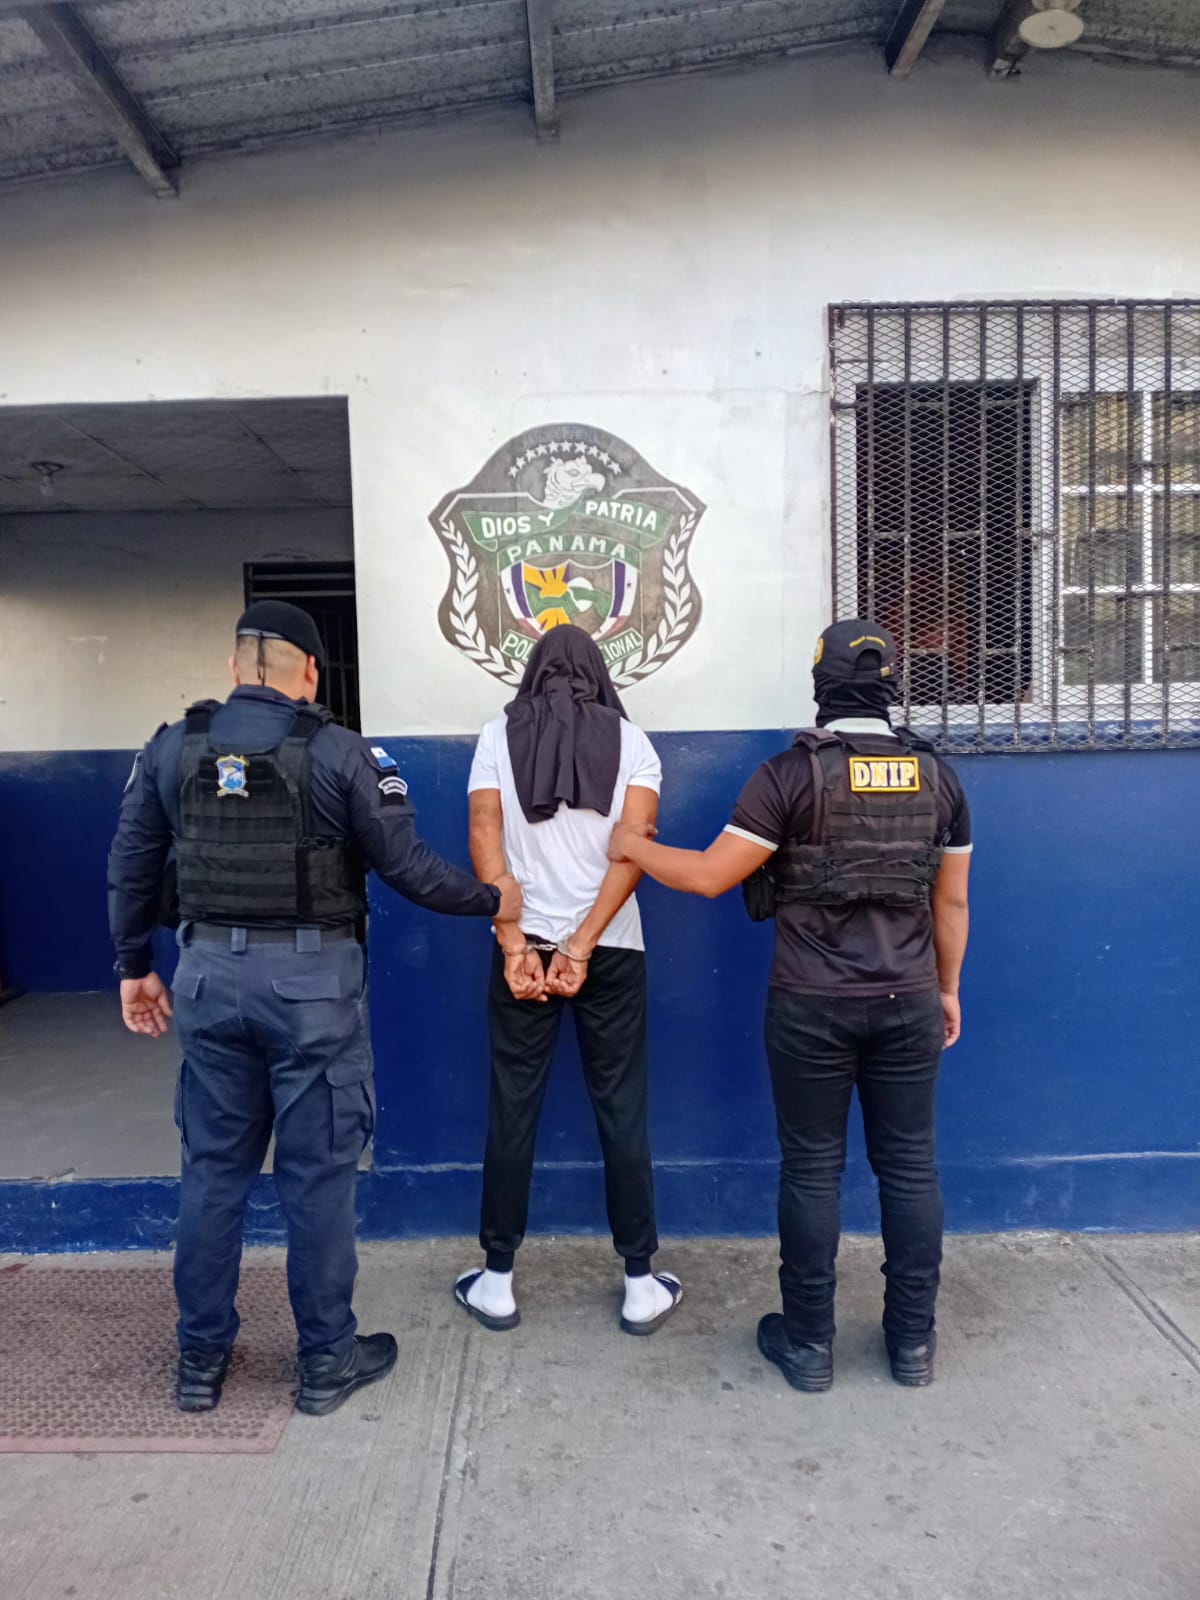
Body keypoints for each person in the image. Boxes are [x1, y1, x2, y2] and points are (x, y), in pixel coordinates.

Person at [109, 601, 522, 1416]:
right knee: (318, 1183)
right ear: (309, 671)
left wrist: (134, 968)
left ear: (235, 667)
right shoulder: (340, 752)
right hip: (311, 990)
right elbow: (406, 866)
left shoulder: (170, 747)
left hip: (205, 979)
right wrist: (492, 900)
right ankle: (327, 1360)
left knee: (212, 1176)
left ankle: (200, 1364)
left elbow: (131, 861)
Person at [609, 620, 971, 1390]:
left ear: (821, 686)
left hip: (812, 1004)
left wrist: (632, 846)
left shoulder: (789, 776)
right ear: (891, 685)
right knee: (910, 1168)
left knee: (811, 1170)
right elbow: (952, 903)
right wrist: (945, 989)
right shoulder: (939, 779)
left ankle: (809, 1346)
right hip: (908, 1000)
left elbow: (709, 876)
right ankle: (912, 1345)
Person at [454, 624, 683, 1335]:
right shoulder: (634, 744)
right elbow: (633, 851)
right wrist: (582, 944)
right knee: (622, 1107)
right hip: (610, 948)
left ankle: (497, 1281)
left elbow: (484, 833)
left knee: (512, 1105)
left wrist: (513, 939)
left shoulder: (497, 735)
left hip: (522, 950)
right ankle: (640, 1284)